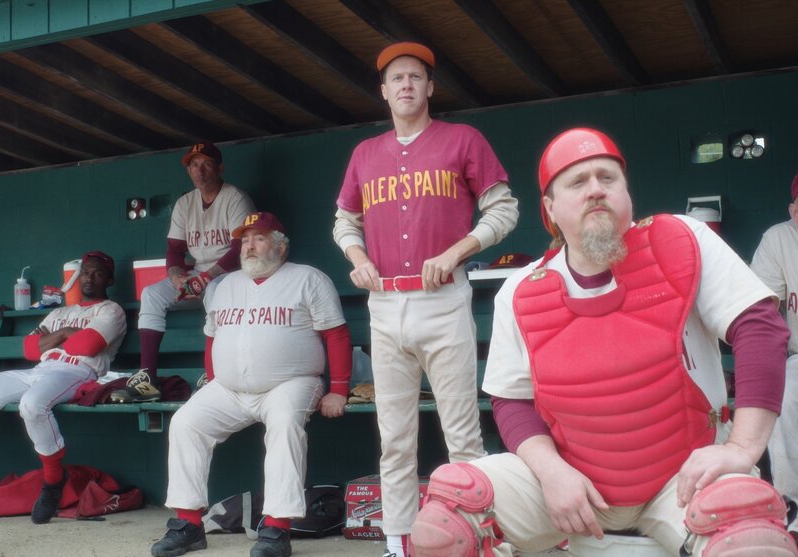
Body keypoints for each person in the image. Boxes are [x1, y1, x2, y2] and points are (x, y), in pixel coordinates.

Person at [409, 128, 798, 557]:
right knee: (446, 522)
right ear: (550, 208)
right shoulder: (520, 291)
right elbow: (511, 400)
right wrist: (551, 472)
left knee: (751, 540)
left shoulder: (682, 240)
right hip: (573, 485)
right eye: (577, 182)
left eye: (607, 178)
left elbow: (760, 325)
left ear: (627, 194)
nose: (596, 189)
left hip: (684, 478)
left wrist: (742, 448)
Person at [333, 42, 519, 557]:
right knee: (395, 438)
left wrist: (459, 251)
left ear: (430, 87)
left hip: (442, 298)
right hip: (386, 302)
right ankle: (398, 543)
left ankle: (478, 537)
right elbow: (344, 220)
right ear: (385, 91)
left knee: (462, 434)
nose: (407, 85)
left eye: (416, 77)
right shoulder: (365, 153)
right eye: (397, 79)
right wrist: (356, 256)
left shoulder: (462, 139)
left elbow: (503, 210)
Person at [150, 212, 352, 557]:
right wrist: (214, 382)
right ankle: (188, 524)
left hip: (291, 383)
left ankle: (276, 528)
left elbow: (336, 334)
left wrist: (339, 388)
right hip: (229, 389)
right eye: (244, 240)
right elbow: (212, 339)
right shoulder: (223, 286)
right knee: (186, 423)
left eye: (258, 237)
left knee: (285, 424)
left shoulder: (308, 279)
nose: (249, 246)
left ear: (281, 246)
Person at [0, 251, 126, 524]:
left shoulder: (111, 310)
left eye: (97, 273)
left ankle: (52, 482)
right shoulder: (60, 312)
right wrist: (66, 333)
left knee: (32, 405)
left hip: (78, 371)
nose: (89, 278)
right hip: (40, 370)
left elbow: (87, 347)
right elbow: (29, 349)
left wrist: (55, 338)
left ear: (109, 278)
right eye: (85, 272)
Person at [112, 142, 256, 403]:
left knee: (214, 290)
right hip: (200, 273)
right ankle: (148, 379)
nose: (199, 171)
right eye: (193, 164)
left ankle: (216, 376)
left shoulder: (236, 198)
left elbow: (239, 251)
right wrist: (176, 276)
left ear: (220, 168)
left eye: (207, 164)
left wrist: (205, 278)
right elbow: (175, 250)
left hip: (234, 275)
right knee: (152, 294)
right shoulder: (184, 204)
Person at [750, 172, 798, 542]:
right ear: (792, 209)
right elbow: (763, 310)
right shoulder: (780, 238)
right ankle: (792, 509)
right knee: (782, 392)